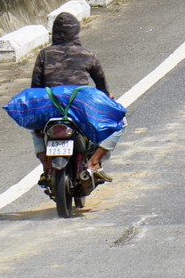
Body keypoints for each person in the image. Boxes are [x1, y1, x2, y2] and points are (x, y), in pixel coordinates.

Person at [31, 12, 122, 181]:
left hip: (52, 109)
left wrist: (37, 123)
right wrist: (107, 97)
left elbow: (35, 89)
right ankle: (94, 163)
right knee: (119, 121)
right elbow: (101, 86)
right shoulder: (87, 55)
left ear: (55, 33)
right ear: (76, 33)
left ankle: (46, 165)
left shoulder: (44, 55)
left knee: (32, 123)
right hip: (80, 110)